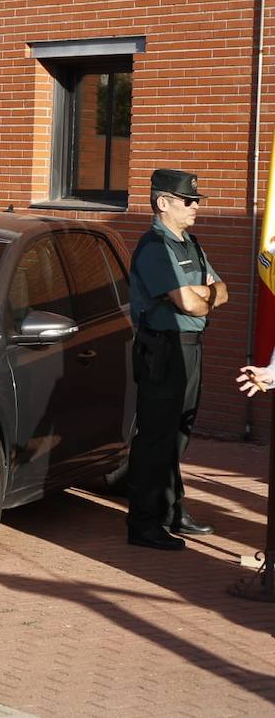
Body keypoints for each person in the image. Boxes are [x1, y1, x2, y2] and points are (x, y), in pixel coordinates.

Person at [125, 169, 228, 550]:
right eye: (188, 201)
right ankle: (143, 522)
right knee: (156, 435)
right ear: (163, 202)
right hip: (163, 348)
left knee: (180, 432)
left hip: (190, 346)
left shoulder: (189, 243)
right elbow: (187, 303)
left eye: (196, 201)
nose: (195, 207)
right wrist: (200, 298)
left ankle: (171, 510)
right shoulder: (155, 247)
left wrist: (202, 295)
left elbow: (223, 290)